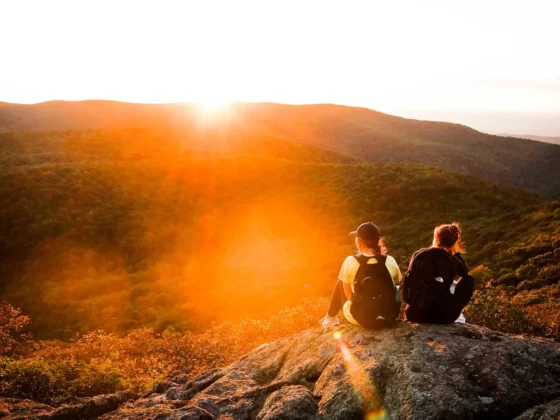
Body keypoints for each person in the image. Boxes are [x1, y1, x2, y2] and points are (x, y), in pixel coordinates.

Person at [320, 222, 402, 328]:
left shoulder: (350, 261)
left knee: (342, 281)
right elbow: (397, 285)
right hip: (389, 316)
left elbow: (348, 294)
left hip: (361, 317)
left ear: (359, 241)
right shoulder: (390, 260)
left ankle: (331, 317)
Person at [403, 223, 474, 324]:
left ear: (436, 237)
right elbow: (465, 274)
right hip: (443, 316)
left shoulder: (418, 255)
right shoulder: (452, 259)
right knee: (469, 279)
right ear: (454, 241)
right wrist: (454, 250)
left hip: (415, 314)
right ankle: (449, 307)